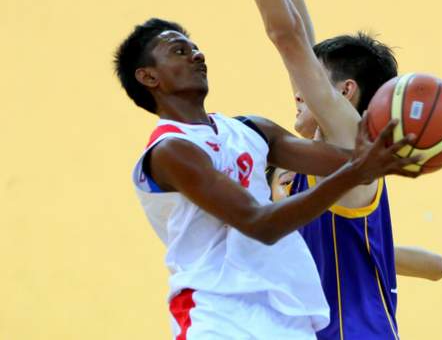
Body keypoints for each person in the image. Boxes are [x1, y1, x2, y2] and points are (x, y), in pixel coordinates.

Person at [212, 0, 442, 339]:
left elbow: (290, 38)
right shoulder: (329, 164)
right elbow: (305, 44)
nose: (297, 91)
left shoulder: (351, 147)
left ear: (345, 93)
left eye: (313, 85)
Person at [114, 17, 422, 339]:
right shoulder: (171, 151)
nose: (197, 55)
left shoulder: (250, 130)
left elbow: (345, 161)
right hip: (218, 315)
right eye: (179, 50)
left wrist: (401, 151)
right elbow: (260, 223)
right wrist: (357, 171)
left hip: (286, 315)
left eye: (196, 48)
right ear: (148, 76)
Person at [266, 166, 442, 281]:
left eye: (306, 183)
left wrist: (362, 251)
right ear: (267, 196)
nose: (300, 188)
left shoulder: (341, 244)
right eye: (288, 182)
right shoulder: (262, 253)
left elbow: (438, 267)